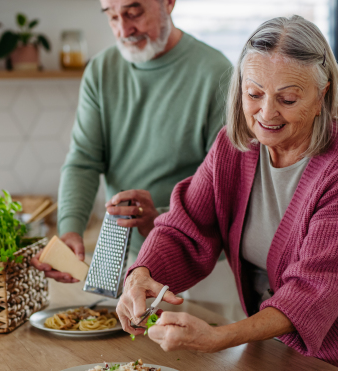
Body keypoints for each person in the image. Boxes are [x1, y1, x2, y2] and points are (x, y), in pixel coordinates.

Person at [117, 15, 338, 371]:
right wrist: (141, 276)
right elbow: (186, 228)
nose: (267, 114)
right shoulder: (234, 147)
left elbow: (313, 289)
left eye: (287, 98)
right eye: (254, 94)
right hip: (274, 333)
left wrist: (219, 337)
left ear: (322, 96)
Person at [31, 0, 231, 283]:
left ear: (169, 3)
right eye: (112, 17)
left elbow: (223, 188)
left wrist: (160, 218)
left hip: (199, 260)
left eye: (134, 13)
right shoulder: (100, 72)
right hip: (124, 252)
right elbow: (83, 162)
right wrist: (71, 230)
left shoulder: (217, 73)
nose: (124, 30)